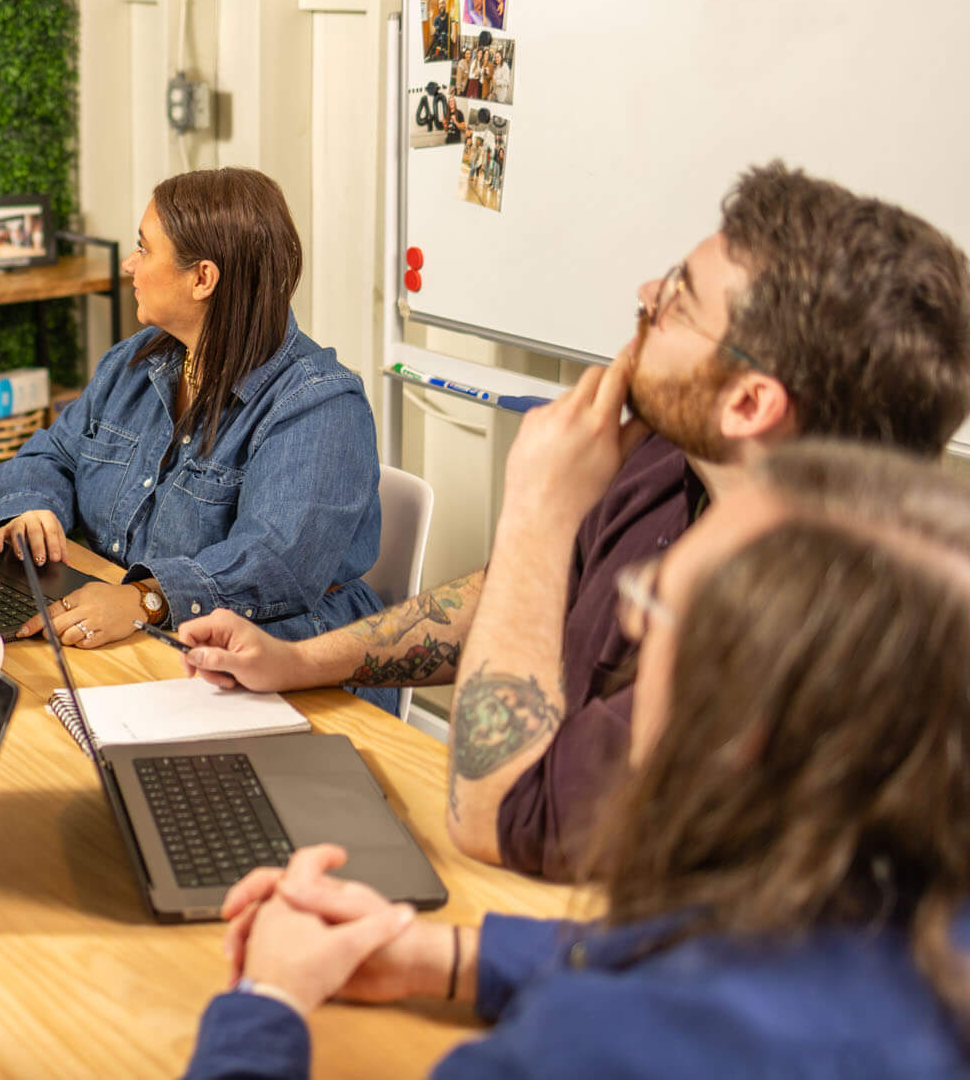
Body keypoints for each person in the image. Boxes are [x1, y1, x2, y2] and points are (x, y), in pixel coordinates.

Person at [179, 164, 970, 878]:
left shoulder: (809, 631)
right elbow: (520, 599)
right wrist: (302, 660)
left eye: (678, 303)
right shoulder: (670, 458)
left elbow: (502, 822)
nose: (644, 296)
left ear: (751, 402)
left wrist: (534, 509)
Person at [182, 439, 970, 1079]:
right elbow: (744, 944)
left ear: (745, 728)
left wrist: (268, 1000)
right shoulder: (909, 900)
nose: (625, 618)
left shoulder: (595, 1041)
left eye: (655, 602)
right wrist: (446, 955)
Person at [0, 168, 394, 706]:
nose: (130, 265)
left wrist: (143, 601)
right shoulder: (134, 363)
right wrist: (33, 509)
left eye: (143, 248)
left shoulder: (319, 407)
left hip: (283, 676)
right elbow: (52, 452)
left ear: (202, 278)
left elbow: (276, 565)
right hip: (141, 642)